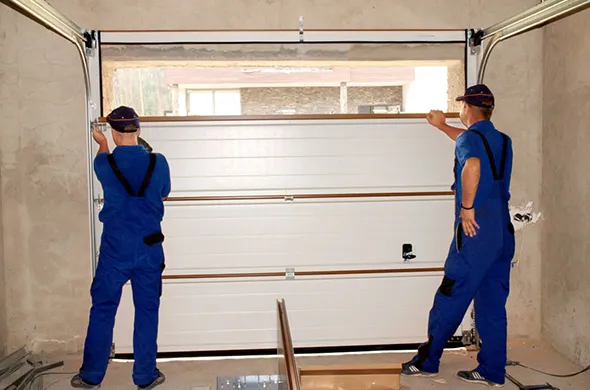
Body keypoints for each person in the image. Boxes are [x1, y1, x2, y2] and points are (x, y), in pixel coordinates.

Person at [401, 84, 515, 387]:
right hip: (502, 231)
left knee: (451, 295)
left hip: (475, 231)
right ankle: (492, 371)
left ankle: (427, 362)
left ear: (467, 108)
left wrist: (467, 208)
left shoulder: (470, 140)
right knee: (492, 303)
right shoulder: (502, 141)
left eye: (461, 105)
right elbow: (474, 147)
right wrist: (443, 128)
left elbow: (473, 165)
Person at [72, 106, 171, 389]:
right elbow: (164, 191)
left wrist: (101, 143)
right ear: (138, 130)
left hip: (116, 250)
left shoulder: (104, 164)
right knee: (147, 310)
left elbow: (103, 159)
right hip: (150, 248)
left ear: (114, 133)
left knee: (103, 308)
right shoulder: (159, 162)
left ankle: (91, 376)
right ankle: (145, 376)